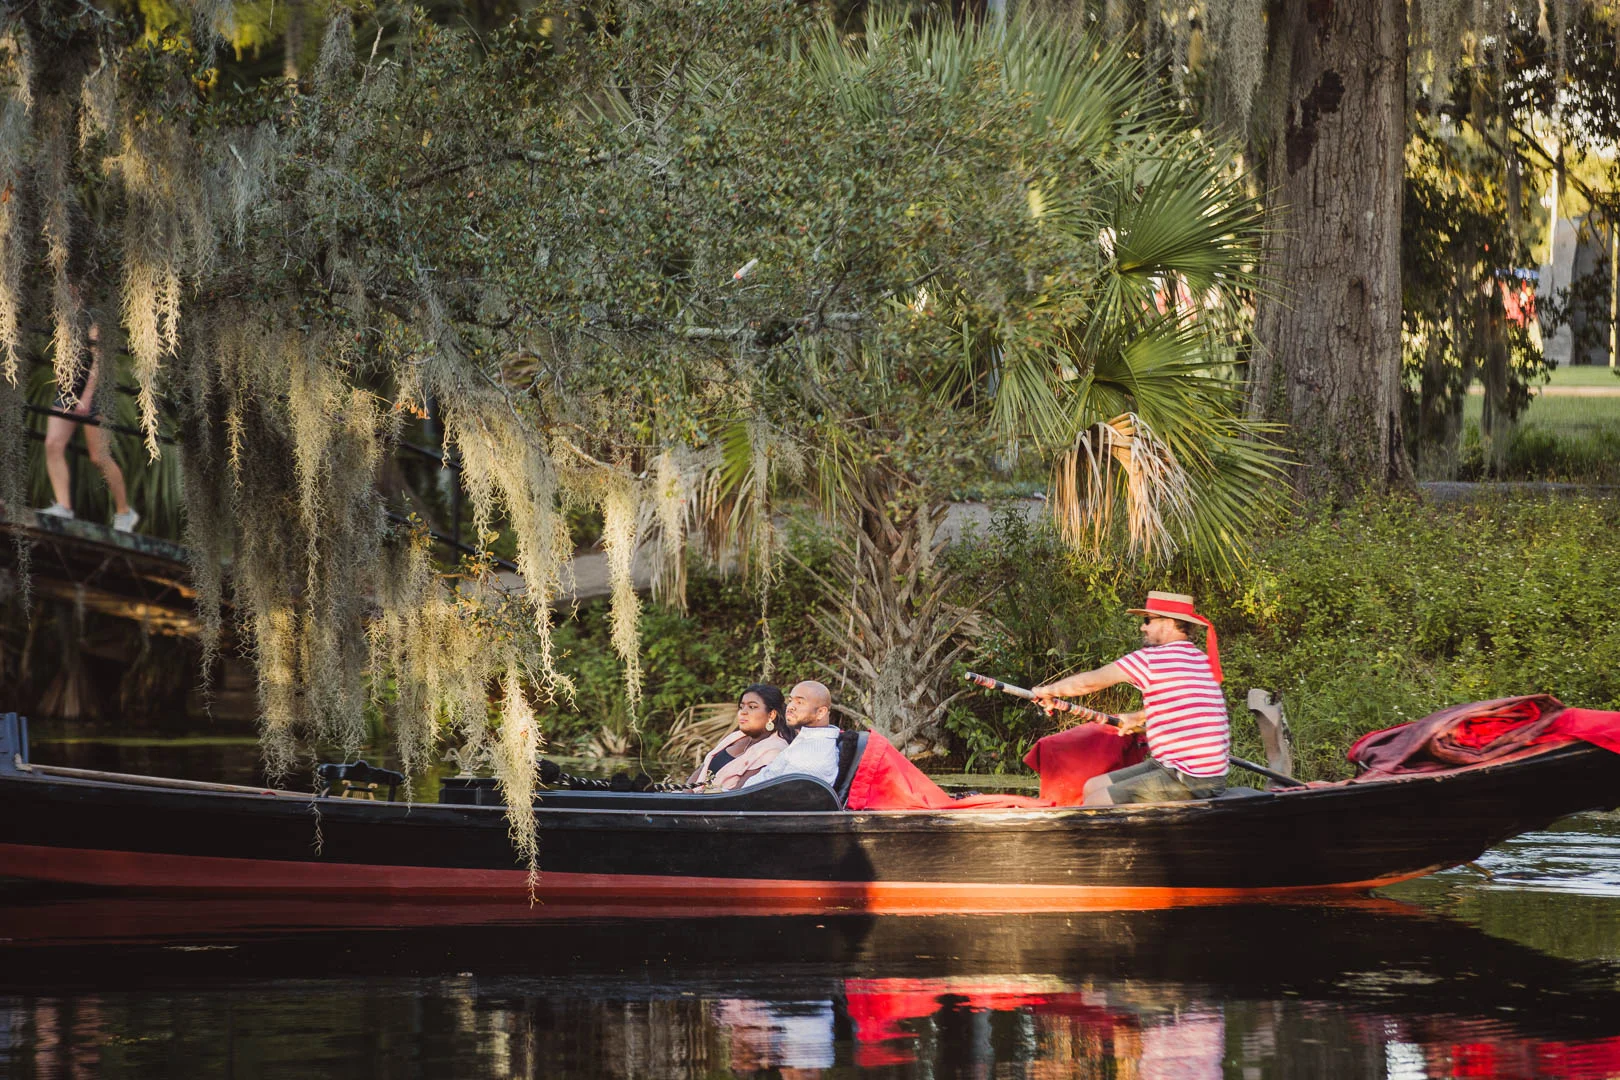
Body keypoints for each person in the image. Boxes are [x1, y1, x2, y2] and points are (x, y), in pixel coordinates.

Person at [1032, 591, 1228, 804]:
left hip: (1190, 778)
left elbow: (1092, 682)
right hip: (1179, 767)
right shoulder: (1198, 658)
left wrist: (1048, 691)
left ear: (1168, 624)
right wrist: (1140, 716)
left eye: (1148, 620)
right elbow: (1187, 703)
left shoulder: (1153, 659)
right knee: (1092, 786)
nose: (1143, 627)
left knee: (1095, 803)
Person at [37, 301, 139, 533]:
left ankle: (125, 512)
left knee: (99, 456)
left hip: (93, 394)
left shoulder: (93, 315)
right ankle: (63, 506)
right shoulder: (61, 314)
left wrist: (87, 397)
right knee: (53, 444)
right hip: (67, 390)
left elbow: (99, 360)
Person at [688, 683, 793, 791]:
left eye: (752, 707)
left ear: (771, 714)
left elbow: (739, 793)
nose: (743, 712)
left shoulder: (775, 750)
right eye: (741, 707)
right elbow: (703, 768)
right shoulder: (736, 737)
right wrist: (683, 796)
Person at [741, 680, 841, 789]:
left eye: (800, 702)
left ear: (821, 712)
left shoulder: (813, 755)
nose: (790, 707)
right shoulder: (807, 740)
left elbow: (782, 799)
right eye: (790, 700)